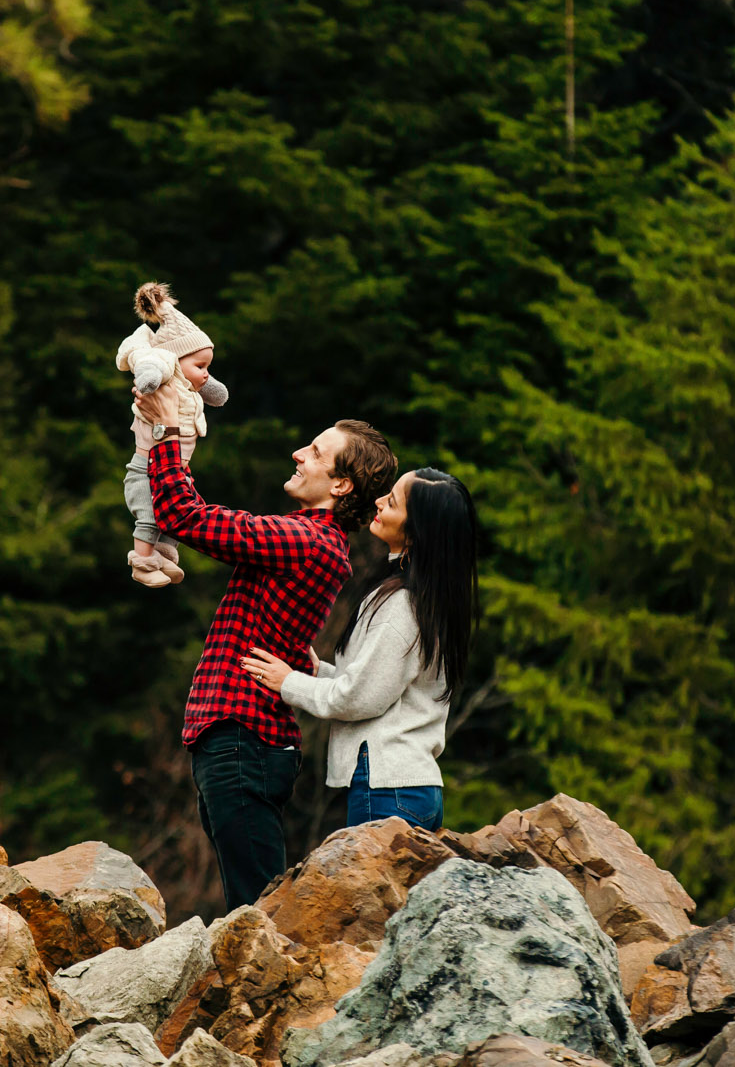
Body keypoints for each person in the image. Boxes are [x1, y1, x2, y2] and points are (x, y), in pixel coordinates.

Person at [134, 382, 398, 910]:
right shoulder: (307, 537)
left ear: (341, 485)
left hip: (244, 741)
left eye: (316, 453)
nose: (300, 454)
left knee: (260, 911)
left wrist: (167, 432)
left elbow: (186, 517)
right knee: (249, 904)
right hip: (235, 740)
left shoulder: (309, 541)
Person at [240, 468, 477, 831]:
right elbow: (383, 687)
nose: (380, 501)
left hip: (388, 791)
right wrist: (317, 672)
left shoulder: (402, 606)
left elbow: (358, 699)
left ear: (417, 533)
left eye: (393, 502)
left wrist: (289, 683)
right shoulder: (429, 602)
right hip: (411, 790)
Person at [114, 281, 228, 587]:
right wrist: (149, 378)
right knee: (149, 517)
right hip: (146, 470)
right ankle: (142, 561)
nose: (206, 373)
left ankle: (162, 553)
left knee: (179, 514)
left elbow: (213, 390)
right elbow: (150, 365)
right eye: (200, 366)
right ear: (177, 360)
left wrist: (209, 384)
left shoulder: (188, 383)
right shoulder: (164, 366)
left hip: (176, 468)